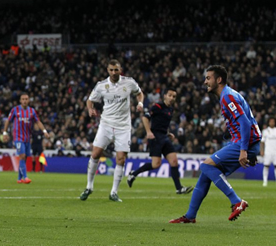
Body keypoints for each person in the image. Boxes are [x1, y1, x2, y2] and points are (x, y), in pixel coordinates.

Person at [170, 65, 261, 223]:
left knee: (206, 166)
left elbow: (245, 123)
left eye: (208, 78)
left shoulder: (227, 96)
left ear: (219, 80)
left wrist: (244, 150)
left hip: (243, 144)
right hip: (245, 142)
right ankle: (190, 216)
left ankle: (236, 201)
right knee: (205, 175)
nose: (205, 82)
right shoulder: (228, 95)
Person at [79, 59, 144, 202]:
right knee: (95, 153)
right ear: (108, 70)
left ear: (120, 70)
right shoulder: (101, 85)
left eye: (116, 70)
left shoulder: (129, 82)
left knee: (121, 158)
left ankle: (114, 192)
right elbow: (90, 100)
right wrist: (90, 109)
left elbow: (139, 93)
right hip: (106, 124)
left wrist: (140, 102)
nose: (113, 72)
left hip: (123, 126)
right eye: (111, 70)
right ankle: (89, 187)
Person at [127, 88, 194, 194]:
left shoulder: (170, 109)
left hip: (164, 137)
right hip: (155, 137)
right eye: (170, 95)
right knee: (156, 164)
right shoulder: (157, 106)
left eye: (174, 96)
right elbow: (145, 117)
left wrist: (167, 133)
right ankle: (133, 174)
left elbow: (161, 123)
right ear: (165, 96)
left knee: (174, 161)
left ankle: (179, 188)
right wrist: (148, 132)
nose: (172, 98)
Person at [2, 93, 49, 183]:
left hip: (27, 138)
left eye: (26, 99)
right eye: (23, 99)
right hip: (18, 137)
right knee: (22, 156)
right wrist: (4, 132)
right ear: (20, 101)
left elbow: (38, 122)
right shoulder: (15, 110)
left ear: (29, 100)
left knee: (24, 157)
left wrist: (44, 131)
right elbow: (8, 121)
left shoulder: (32, 111)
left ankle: (19, 178)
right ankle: (26, 177)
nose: (24, 101)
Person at [260, 117, 276, 187]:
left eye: (273, 121)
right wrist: (262, 150)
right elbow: (262, 142)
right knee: (266, 166)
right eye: (270, 121)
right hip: (268, 151)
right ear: (268, 122)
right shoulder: (265, 131)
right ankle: (265, 182)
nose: (272, 123)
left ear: (275, 122)